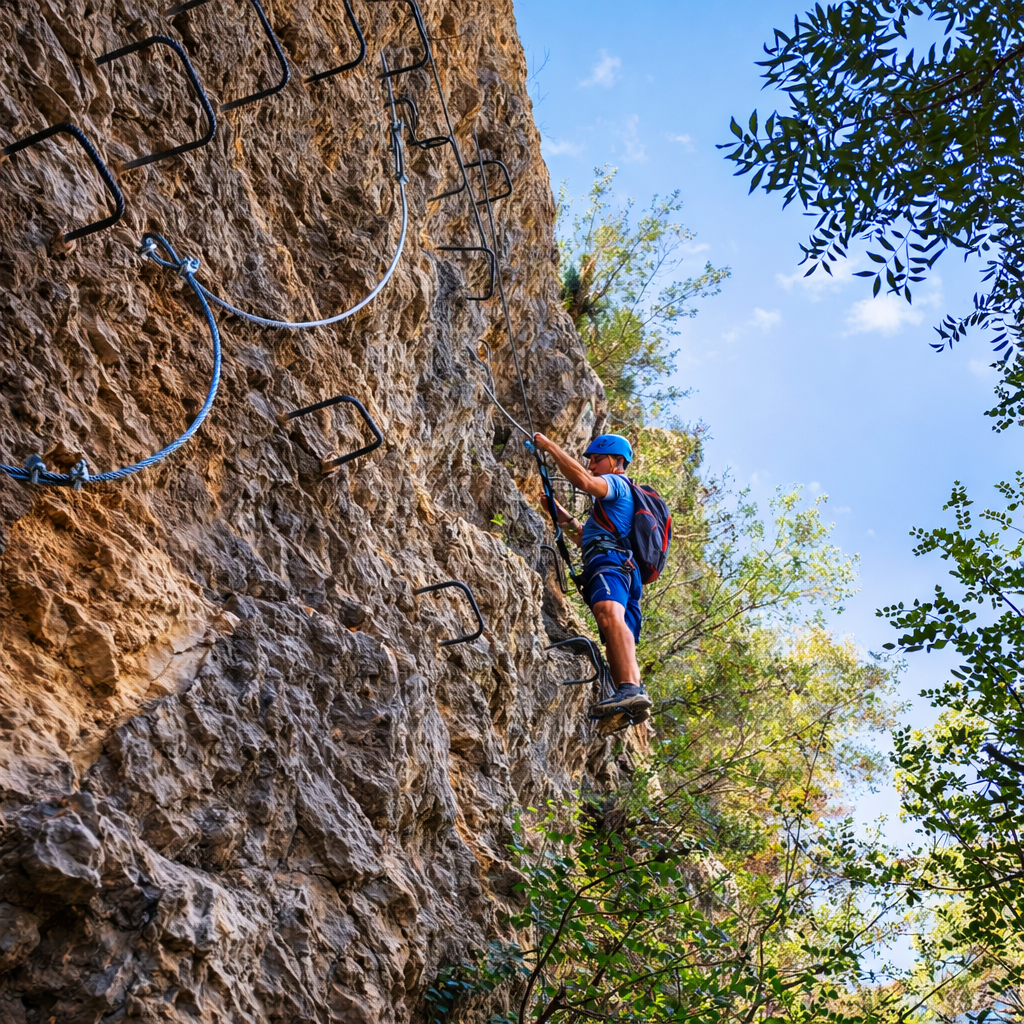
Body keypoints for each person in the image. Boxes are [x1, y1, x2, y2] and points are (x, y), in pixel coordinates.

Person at [533, 431, 653, 718]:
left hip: (611, 564)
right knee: (611, 622)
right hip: (620, 565)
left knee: (608, 613)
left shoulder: (616, 483)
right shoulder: (616, 504)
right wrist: (561, 516)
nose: (591, 465)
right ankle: (632, 693)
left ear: (616, 461)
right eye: (590, 461)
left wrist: (550, 447)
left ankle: (630, 690)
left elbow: (584, 482)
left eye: (597, 459)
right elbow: (588, 538)